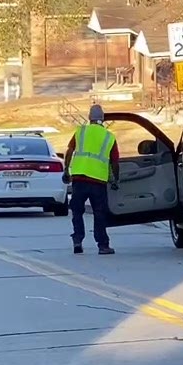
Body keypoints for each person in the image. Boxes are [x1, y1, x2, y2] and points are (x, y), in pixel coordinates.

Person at [63, 104, 120, 254]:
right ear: (102, 119)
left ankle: (77, 239)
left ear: (89, 118)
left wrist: (66, 170)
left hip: (79, 178)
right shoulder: (109, 136)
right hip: (98, 181)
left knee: (77, 211)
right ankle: (103, 245)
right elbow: (114, 161)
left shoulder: (80, 132)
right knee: (99, 213)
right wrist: (115, 179)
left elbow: (69, 151)